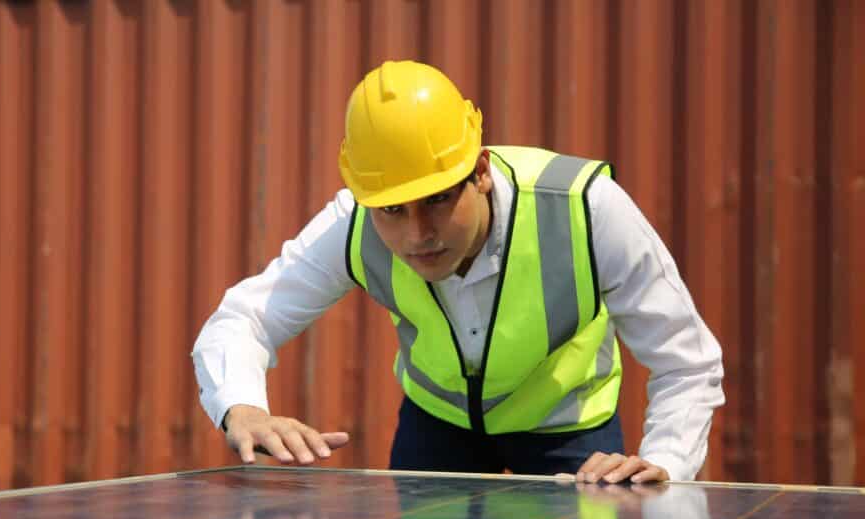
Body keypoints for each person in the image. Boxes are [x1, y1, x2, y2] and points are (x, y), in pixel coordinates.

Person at [192, 60, 724, 483]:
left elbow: (687, 360)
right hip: (437, 430)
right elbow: (244, 318)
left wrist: (667, 461)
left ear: (483, 172)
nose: (417, 232)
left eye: (438, 200)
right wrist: (242, 407)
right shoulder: (352, 223)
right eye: (392, 211)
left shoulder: (585, 207)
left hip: (571, 436)